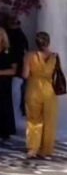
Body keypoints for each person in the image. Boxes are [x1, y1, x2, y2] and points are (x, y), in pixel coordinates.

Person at [23, 31, 59, 160]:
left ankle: (33, 148)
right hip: (49, 90)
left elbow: (25, 75)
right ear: (48, 42)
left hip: (33, 88)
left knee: (33, 119)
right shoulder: (55, 56)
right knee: (49, 119)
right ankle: (46, 149)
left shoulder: (29, 55)